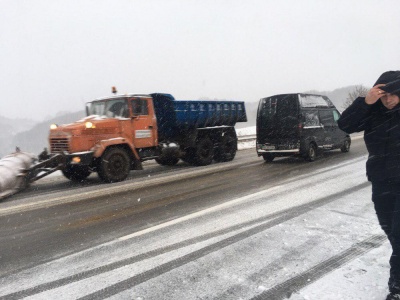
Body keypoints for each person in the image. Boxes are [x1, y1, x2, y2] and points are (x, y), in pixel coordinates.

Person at [338, 70, 400, 300]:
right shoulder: (373, 112)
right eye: (383, 95)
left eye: (393, 94)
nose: (388, 99)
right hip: (381, 181)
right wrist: (366, 102)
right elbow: (345, 125)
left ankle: (397, 288)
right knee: (390, 230)